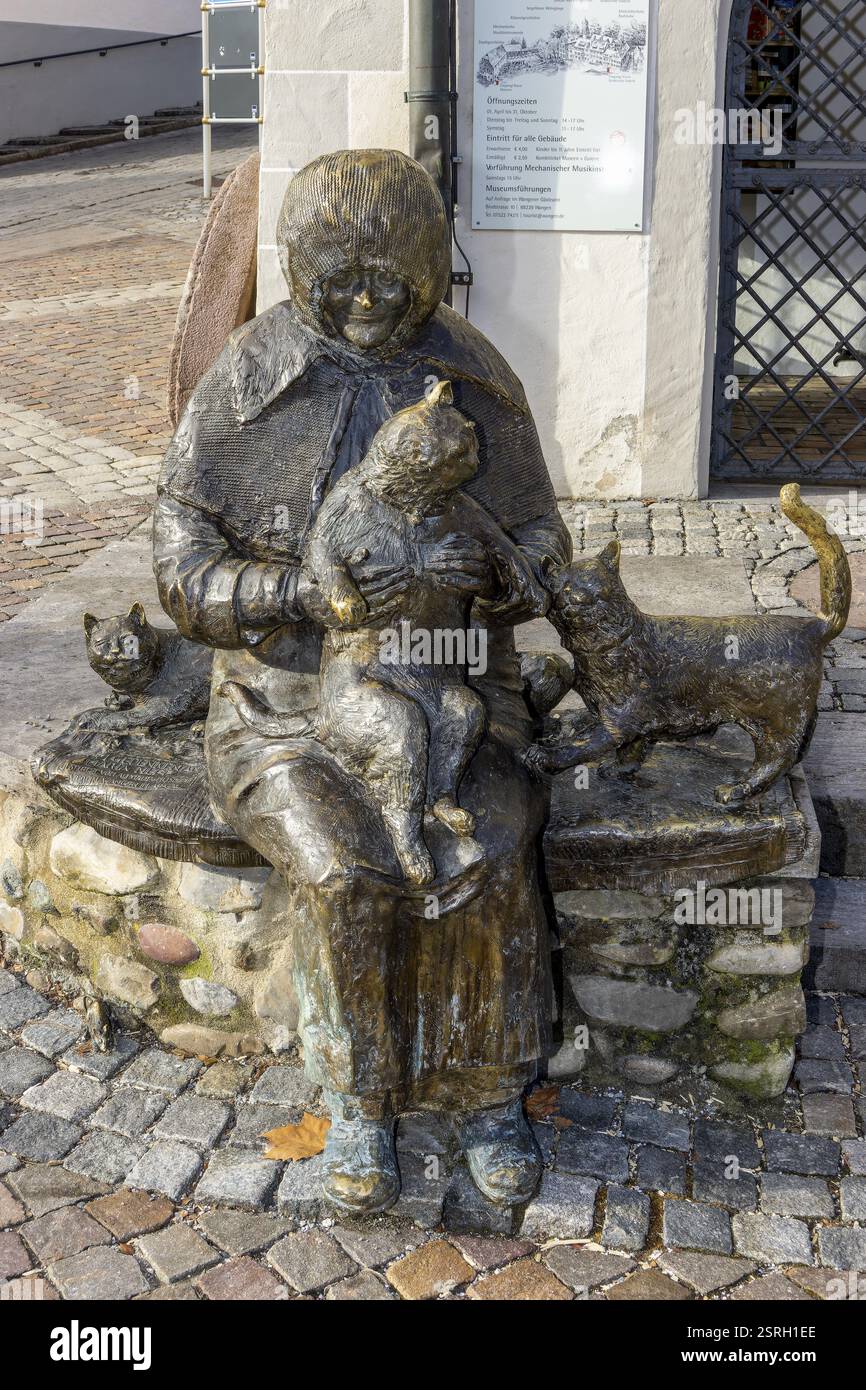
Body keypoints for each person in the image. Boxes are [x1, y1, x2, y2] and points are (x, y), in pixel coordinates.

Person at [153, 148, 571, 1215]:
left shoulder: (471, 378)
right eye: (337, 281)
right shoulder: (248, 377)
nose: (366, 304)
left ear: (431, 268)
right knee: (345, 870)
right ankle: (360, 1097)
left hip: (450, 683)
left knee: (485, 840)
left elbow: (536, 546)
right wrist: (300, 590)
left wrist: (470, 574)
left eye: (394, 280)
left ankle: (487, 1089)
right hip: (284, 702)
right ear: (299, 269)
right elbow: (181, 567)